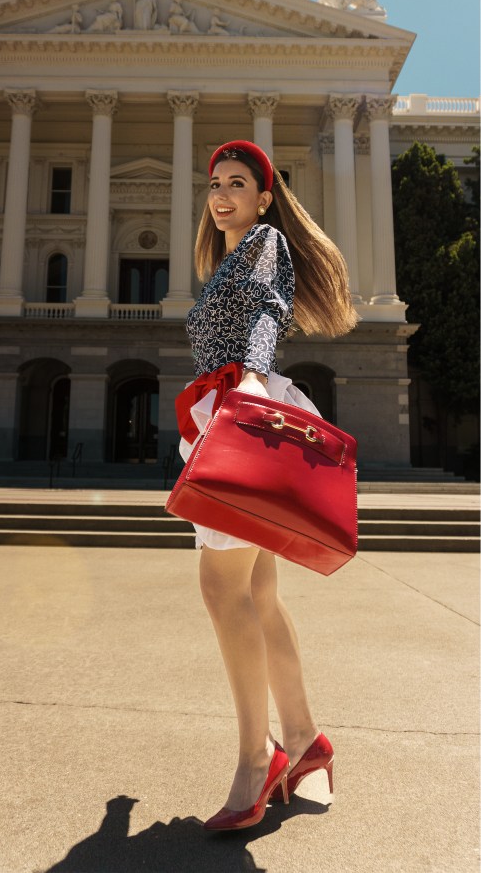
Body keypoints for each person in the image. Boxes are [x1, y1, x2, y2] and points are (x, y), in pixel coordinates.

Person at [176, 140, 357, 831]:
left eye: (237, 183)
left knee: (223, 590)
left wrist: (249, 380)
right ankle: (306, 738)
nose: (221, 194)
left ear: (265, 195)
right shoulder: (229, 252)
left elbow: (263, 313)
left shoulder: (264, 242)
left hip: (237, 412)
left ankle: (258, 759)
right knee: (257, 594)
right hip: (222, 414)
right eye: (214, 183)